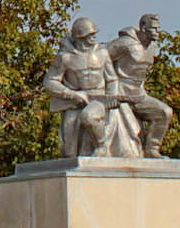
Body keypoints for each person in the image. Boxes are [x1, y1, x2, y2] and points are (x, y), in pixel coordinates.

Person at [43, 17, 136, 158]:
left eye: (94, 34)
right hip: (74, 102)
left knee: (89, 117)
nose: (93, 38)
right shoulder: (65, 58)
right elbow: (49, 82)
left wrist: (110, 99)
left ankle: (101, 145)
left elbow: (112, 79)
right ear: (80, 37)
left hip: (98, 100)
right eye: (89, 35)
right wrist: (72, 95)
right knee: (69, 153)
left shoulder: (102, 54)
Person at [106, 14, 173, 158]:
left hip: (139, 95)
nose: (158, 32)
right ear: (143, 28)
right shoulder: (125, 43)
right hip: (121, 93)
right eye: (154, 29)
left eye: (158, 28)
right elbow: (100, 59)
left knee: (164, 112)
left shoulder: (150, 47)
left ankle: (152, 149)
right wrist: (109, 87)